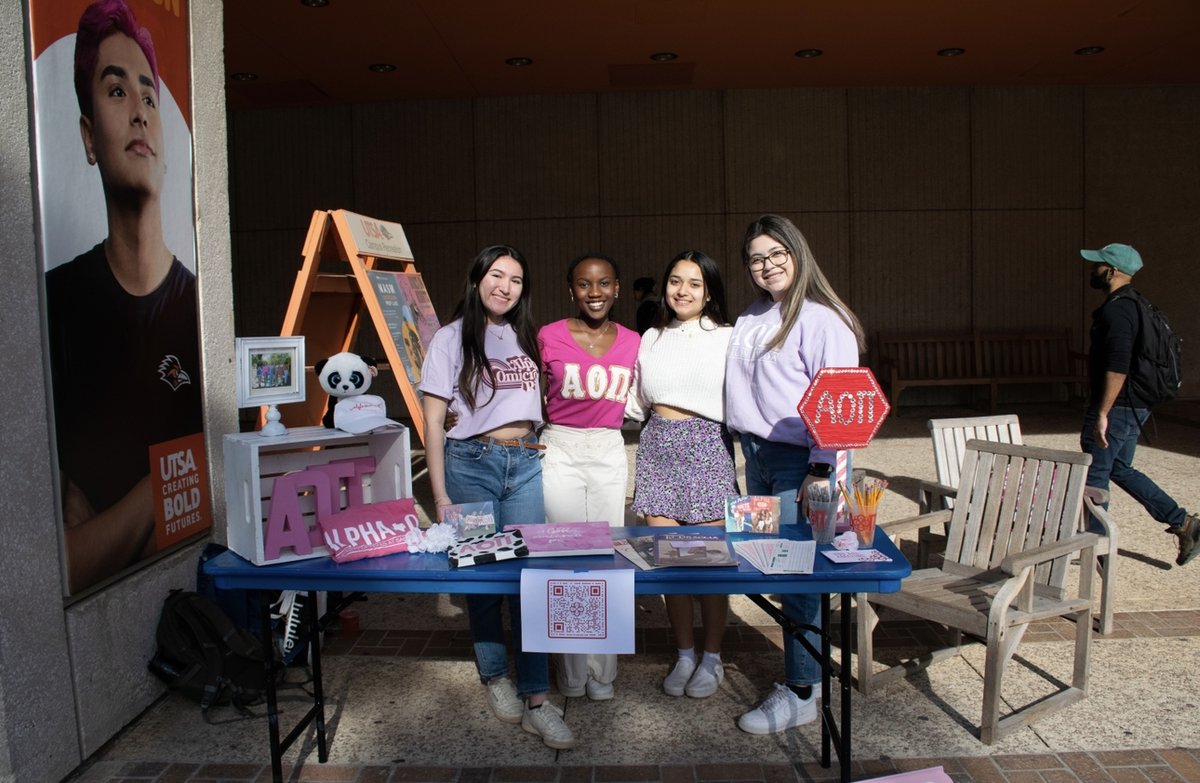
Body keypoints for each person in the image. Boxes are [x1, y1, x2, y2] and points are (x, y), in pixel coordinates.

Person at [46, 0, 203, 594]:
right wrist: (164, 495)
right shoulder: (55, 303)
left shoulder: (197, 311)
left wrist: (131, 506)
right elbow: (63, 564)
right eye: (116, 93)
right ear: (89, 139)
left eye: (149, 96)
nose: (139, 113)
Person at [419, 245, 577, 750]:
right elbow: (431, 421)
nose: (504, 286)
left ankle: (536, 698)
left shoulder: (527, 335)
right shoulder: (449, 338)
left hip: (525, 464)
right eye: (496, 275)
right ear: (476, 278)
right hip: (471, 465)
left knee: (530, 581)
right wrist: (440, 493)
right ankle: (495, 677)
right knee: (483, 579)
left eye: (515, 279)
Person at [725, 215, 865, 734]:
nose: (767, 265)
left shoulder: (821, 319)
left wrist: (822, 468)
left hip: (797, 463)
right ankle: (802, 671)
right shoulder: (751, 316)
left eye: (776, 253)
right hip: (755, 458)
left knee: (795, 572)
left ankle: (803, 689)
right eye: (757, 258)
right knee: (766, 564)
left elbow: (842, 400)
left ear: (797, 253)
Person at [627, 251, 737, 699]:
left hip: (708, 446)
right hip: (657, 447)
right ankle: (685, 654)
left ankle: (713, 658)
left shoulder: (729, 337)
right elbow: (633, 401)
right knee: (671, 564)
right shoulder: (649, 337)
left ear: (708, 291)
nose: (683, 290)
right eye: (675, 281)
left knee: (709, 565)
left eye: (694, 283)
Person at [538, 253, 640, 701]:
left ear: (617, 288)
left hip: (608, 447)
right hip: (559, 445)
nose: (594, 292)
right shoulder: (548, 336)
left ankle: (604, 673)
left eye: (603, 284)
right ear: (571, 290)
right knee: (565, 556)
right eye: (584, 284)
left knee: (606, 559)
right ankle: (573, 671)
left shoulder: (636, 341)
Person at [1080, 243, 1198, 566]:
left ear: (1113, 272)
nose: (1093, 270)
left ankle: (1096, 552)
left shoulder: (1118, 310)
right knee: (1119, 468)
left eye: (1098, 266)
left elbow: (1117, 365)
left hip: (1118, 406)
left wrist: (1102, 413)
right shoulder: (1136, 304)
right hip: (1135, 404)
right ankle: (1184, 523)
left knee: (1095, 476)